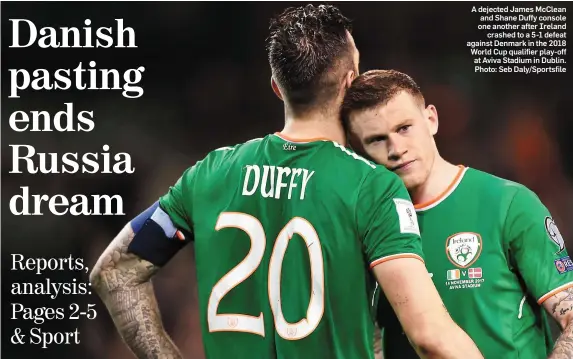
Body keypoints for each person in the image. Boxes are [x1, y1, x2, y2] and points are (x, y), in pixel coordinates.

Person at [90, 5, 482, 359]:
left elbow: (114, 272)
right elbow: (431, 337)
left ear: (277, 87)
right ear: (350, 84)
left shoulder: (211, 173)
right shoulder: (372, 187)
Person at [341, 69, 573, 359]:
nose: (396, 149)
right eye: (376, 139)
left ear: (431, 120)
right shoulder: (363, 227)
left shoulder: (508, 203)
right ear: (357, 152)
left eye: (404, 128)